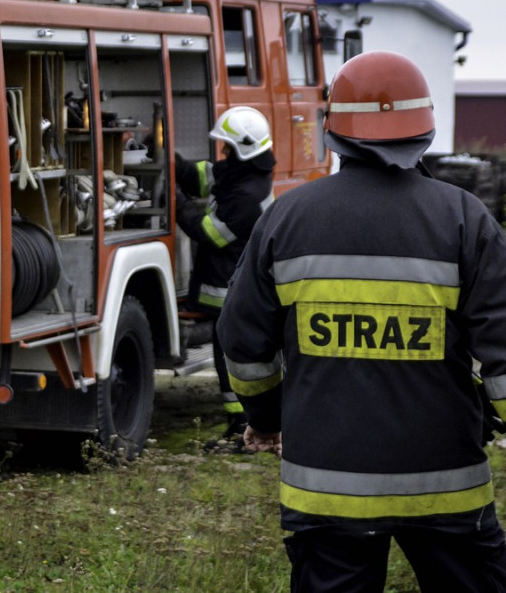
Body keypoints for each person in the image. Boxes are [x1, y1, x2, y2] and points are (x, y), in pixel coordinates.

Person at [217, 51, 506, 591]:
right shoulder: (466, 220)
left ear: (334, 131)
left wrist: (267, 416)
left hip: (326, 491)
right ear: (425, 128)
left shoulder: (287, 216)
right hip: (448, 489)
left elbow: (242, 343)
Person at [174, 106, 274, 445]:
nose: (223, 153)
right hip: (223, 284)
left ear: (243, 149)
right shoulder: (241, 174)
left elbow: (207, 232)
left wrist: (176, 204)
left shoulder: (249, 196)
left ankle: (242, 426)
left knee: (228, 358)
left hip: (227, 289)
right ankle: (239, 424)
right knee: (225, 356)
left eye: (227, 147)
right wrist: (173, 163)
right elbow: (204, 175)